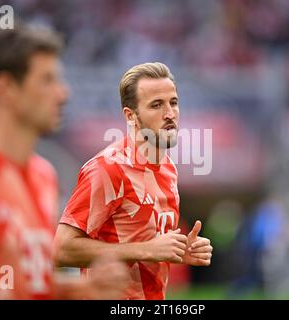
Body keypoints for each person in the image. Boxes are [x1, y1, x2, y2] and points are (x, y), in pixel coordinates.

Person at [0, 20, 128, 300]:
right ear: (6, 88)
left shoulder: (43, 175)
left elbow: (25, 283)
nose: (64, 94)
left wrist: (82, 289)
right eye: (47, 80)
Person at [53, 62, 213, 300]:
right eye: (156, 105)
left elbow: (149, 244)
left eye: (174, 102)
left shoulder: (168, 168)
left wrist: (180, 250)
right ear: (131, 116)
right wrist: (147, 250)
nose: (169, 114)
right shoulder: (107, 169)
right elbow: (61, 250)